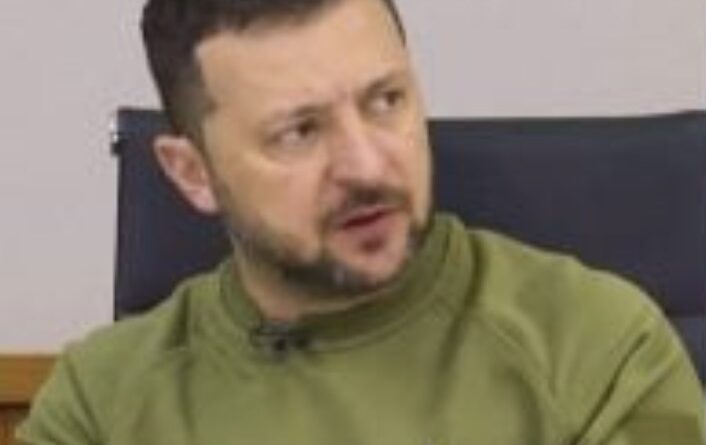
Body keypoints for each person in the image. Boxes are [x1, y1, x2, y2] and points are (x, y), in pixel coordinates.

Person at [17, 0, 704, 443]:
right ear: (193, 172)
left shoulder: (595, 348)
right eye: (299, 132)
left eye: (386, 101)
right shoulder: (99, 404)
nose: (368, 165)